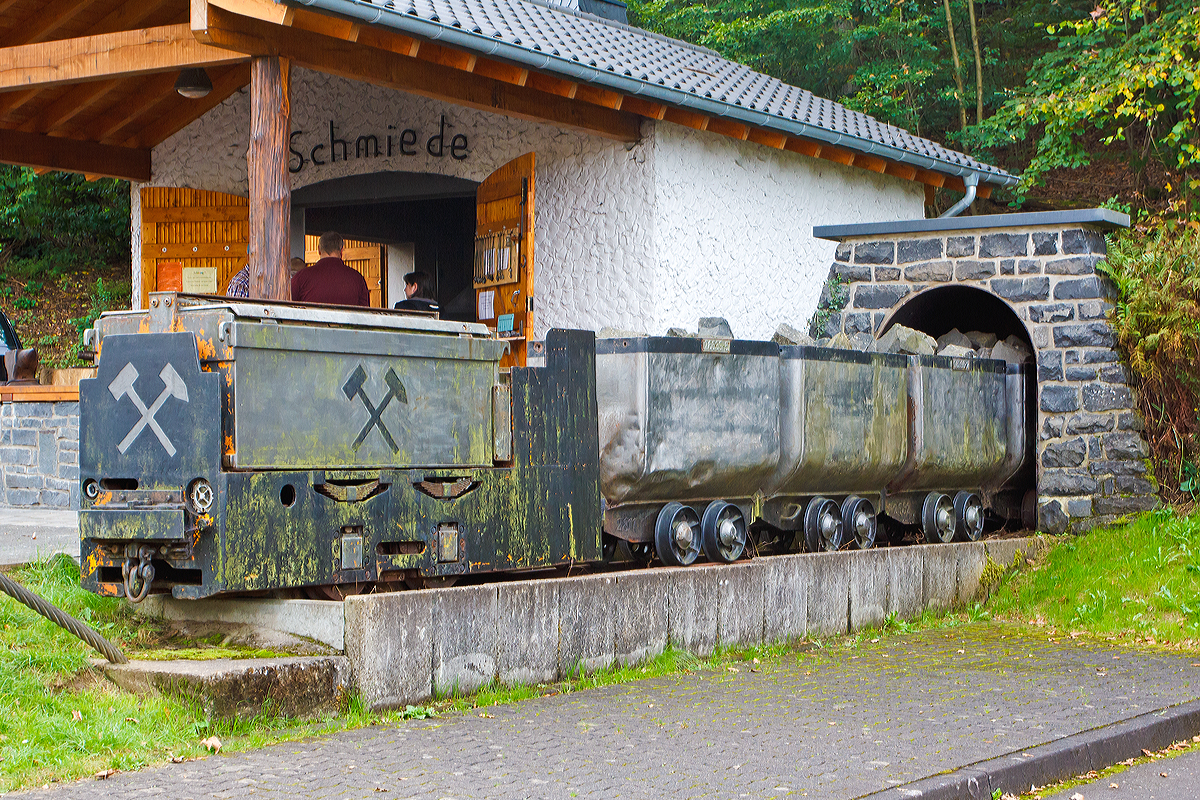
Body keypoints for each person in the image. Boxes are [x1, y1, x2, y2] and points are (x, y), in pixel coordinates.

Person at [291, 232, 370, 306]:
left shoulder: (300, 278)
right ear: (341, 250)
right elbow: (365, 312)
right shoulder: (357, 279)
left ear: (319, 249)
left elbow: (288, 308)